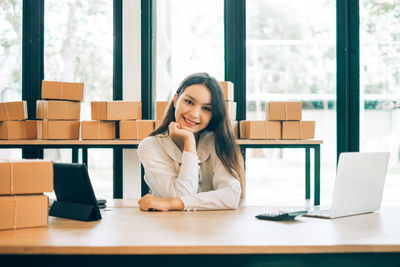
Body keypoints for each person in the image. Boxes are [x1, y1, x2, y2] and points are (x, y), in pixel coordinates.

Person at [137, 72, 244, 211]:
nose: (194, 114)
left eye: (206, 108)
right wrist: (190, 144)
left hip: (213, 227)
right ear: (176, 100)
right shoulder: (150, 146)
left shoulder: (215, 142)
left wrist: (172, 203)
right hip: (169, 227)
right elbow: (182, 194)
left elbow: (231, 196)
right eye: (189, 102)